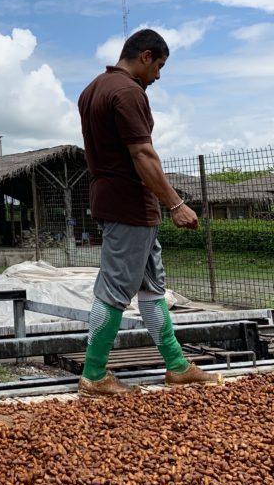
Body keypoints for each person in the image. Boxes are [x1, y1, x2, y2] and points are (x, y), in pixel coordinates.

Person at [76, 28, 214, 396]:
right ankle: (94, 376)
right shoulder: (127, 92)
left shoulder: (93, 89)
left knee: (152, 288)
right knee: (114, 290)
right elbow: (142, 154)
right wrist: (176, 204)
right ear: (146, 56)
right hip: (128, 205)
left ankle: (177, 366)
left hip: (123, 202)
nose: (158, 76)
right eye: (160, 67)